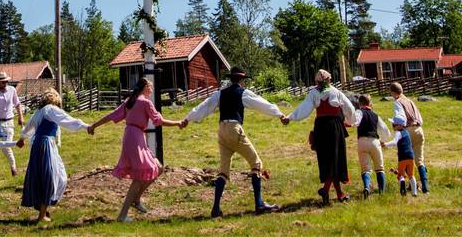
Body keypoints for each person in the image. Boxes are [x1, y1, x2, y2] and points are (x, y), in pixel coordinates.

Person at [181, 67, 287, 217]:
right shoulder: (243, 93)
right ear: (242, 80)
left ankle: (216, 209)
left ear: (231, 79)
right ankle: (259, 204)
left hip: (222, 130)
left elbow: (204, 106)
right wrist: (279, 114)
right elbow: (261, 103)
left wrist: (188, 118)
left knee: (223, 172)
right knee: (256, 164)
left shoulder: (220, 93)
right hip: (234, 129)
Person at [88, 78, 183, 222]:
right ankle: (122, 216)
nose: (151, 89)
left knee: (158, 167)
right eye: (150, 87)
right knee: (139, 178)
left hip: (133, 137)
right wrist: (178, 123)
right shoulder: (145, 102)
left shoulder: (130, 100)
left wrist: (94, 125)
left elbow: (111, 115)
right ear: (145, 87)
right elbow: (159, 121)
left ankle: (136, 200)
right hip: (136, 138)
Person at [282, 69, 356, 205]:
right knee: (335, 159)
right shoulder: (335, 92)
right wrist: (352, 122)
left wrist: (290, 117)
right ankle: (326, 189)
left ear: (317, 81)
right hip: (334, 127)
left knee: (327, 159)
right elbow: (349, 108)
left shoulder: (313, 93)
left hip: (321, 127)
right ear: (328, 79)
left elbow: (304, 108)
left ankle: (339, 193)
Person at [19, 88, 90, 224]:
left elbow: (29, 127)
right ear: (55, 100)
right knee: (52, 176)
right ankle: (42, 215)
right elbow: (67, 120)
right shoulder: (51, 109)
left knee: (41, 175)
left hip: (38, 145)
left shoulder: (40, 111)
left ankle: (42, 210)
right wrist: (85, 126)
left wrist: (22, 138)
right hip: (46, 144)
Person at [389, 82, 429, 193]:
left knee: (406, 158)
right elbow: (420, 117)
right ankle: (425, 187)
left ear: (393, 93)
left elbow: (400, 117)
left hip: (407, 131)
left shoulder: (398, 102)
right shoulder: (410, 101)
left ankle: (413, 186)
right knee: (419, 160)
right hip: (419, 129)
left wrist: (396, 126)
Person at [354, 94, 392, 199]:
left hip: (362, 141)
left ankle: (366, 187)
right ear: (370, 103)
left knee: (365, 168)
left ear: (359, 103)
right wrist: (382, 140)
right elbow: (385, 131)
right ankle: (381, 191)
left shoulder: (359, 112)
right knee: (379, 168)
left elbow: (355, 121)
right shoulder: (375, 115)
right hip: (374, 141)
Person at [0, 71, 24, 177]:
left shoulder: (12, 90)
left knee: (6, 147)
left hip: (9, 122)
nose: (4, 84)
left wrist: (21, 117)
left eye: (6, 82)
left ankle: (13, 168)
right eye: (2, 82)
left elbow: (17, 104)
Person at [382, 116, 418, 197]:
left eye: (394, 124)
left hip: (403, 156)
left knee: (400, 175)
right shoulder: (407, 132)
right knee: (411, 175)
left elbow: (394, 142)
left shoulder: (398, 133)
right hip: (411, 156)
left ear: (399, 125)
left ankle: (402, 185)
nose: (392, 125)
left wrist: (385, 144)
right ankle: (414, 193)